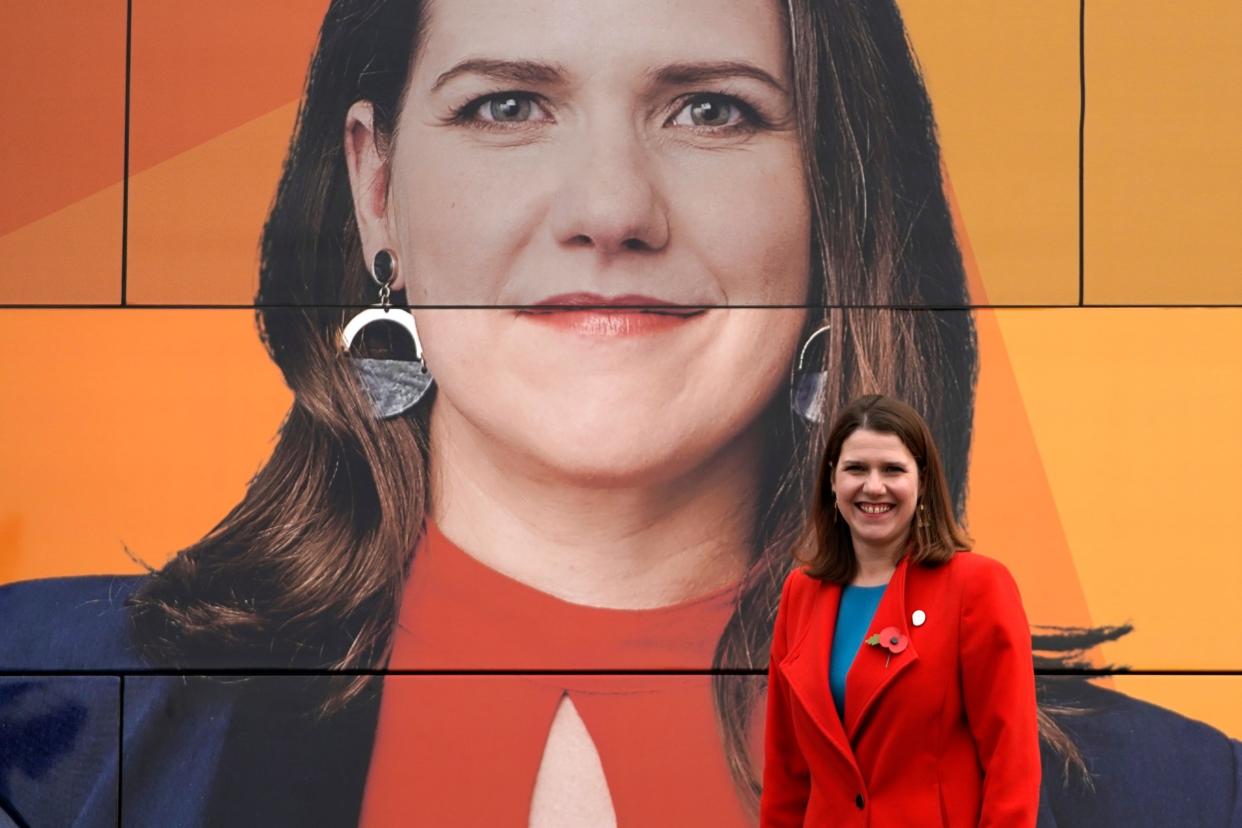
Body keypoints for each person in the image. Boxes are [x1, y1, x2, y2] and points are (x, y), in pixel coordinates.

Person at [1, 0, 1240, 826]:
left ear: (832, 198)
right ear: (376, 188)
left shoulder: (1172, 797)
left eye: (712, 110)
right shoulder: (37, 725)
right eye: (506, 105)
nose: (610, 206)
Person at [761, 394, 1040, 826]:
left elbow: (1012, 763)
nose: (874, 487)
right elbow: (786, 771)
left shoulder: (977, 586)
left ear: (922, 481)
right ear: (832, 481)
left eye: (892, 469)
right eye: (856, 469)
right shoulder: (801, 592)